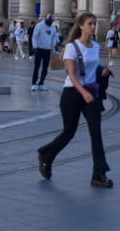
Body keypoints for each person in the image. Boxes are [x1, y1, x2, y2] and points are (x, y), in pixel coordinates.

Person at [36, 11, 113, 188]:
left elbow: (91, 67)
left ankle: (98, 174)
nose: (93, 27)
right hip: (72, 93)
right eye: (89, 24)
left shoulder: (95, 46)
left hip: (91, 93)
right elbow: (71, 74)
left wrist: (102, 71)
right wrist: (82, 92)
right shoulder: (72, 47)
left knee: (96, 133)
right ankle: (46, 154)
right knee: (68, 133)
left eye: (94, 24)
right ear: (80, 26)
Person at [31, 14, 59, 92]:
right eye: (49, 21)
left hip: (47, 49)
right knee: (37, 67)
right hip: (39, 49)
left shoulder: (53, 27)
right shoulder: (39, 26)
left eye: (51, 21)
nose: (50, 22)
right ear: (46, 19)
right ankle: (34, 84)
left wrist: (54, 46)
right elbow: (35, 36)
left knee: (45, 68)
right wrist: (35, 46)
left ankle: (41, 83)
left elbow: (53, 37)